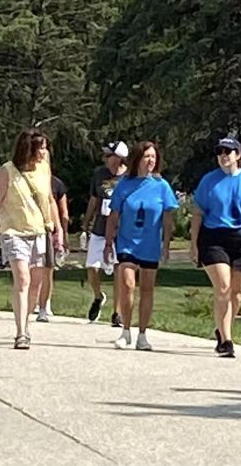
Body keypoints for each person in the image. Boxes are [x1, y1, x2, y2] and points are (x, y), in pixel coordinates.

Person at [0, 128, 64, 349]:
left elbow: (51, 200)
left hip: (40, 232)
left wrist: (59, 229)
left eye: (46, 148)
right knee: (23, 279)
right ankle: (20, 332)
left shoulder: (44, 168)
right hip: (14, 233)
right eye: (41, 148)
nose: (45, 152)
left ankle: (26, 323)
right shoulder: (7, 171)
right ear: (29, 149)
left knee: (36, 282)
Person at [190, 138, 241, 358]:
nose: (224, 155)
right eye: (220, 152)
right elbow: (198, 213)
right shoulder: (209, 181)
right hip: (214, 236)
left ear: (238, 154)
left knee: (236, 294)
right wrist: (194, 242)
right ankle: (226, 341)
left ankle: (223, 327)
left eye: (229, 151)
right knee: (223, 287)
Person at [105, 142, 179, 350]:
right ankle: (125, 330)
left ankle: (143, 334)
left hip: (150, 244)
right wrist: (109, 242)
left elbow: (167, 218)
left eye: (153, 157)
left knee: (147, 289)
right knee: (127, 283)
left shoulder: (161, 186)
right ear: (138, 159)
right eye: (147, 156)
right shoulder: (124, 185)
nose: (151, 161)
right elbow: (114, 215)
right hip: (127, 243)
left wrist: (166, 245)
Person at [80, 141, 129, 326]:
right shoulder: (99, 174)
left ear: (119, 158)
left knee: (119, 269)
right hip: (100, 228)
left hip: (121, 230)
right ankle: (98, 296)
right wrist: (85, 224)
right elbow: (94, 200)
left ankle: (117, 313)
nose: (106, 159)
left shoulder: (129, 176)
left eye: (110, 155)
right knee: (92, 267)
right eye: (106, 156)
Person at [36, 174, 69, 322]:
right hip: (33, 227)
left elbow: (63, 211)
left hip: (50, 228)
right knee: (35, 268)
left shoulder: (57, 184)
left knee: (48, 267)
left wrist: (62, 232)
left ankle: (45, 302)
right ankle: (36, 301)